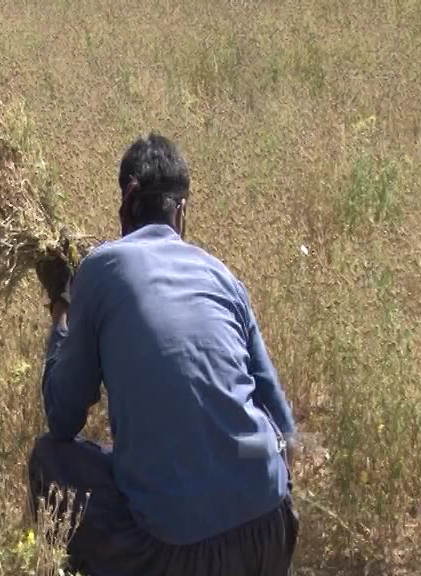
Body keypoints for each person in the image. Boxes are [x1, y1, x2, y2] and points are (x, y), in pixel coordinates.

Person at [29, 133, 299, 576]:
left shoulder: (98, 269)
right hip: (269, 534)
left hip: (176, 554)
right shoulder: (224, 277)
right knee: (239, 446)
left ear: (127, 199)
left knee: (49, 460)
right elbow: (286, 437)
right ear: (182, 210)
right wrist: (221, 451)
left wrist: (62, 304)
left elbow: (62, 418)